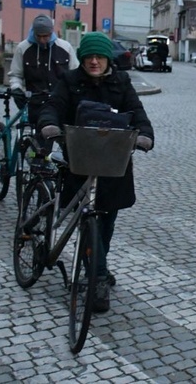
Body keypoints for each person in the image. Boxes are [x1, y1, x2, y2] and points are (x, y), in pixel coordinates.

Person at [38, 32, 154, 313]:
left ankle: (96, 264)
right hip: (80, 157)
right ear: (82, 59)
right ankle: (98, 277)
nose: (93, 61)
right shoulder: (70, 81)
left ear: (107, 60)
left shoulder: (121, 82)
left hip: (113, 160)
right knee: (90, 219)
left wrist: (145, 135)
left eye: (99, 57)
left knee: (107, 220)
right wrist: (50, 125)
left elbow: (137, 112)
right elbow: (54, 105)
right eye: (89, 57)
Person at [9, 14, 78, 124]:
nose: (42, 40)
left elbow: (75, 73)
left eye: (45, 36)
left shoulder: (65, 47)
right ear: (33, 32)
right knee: (39, 138)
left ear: (51, 32)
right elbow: (16, 74)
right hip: (35, 103)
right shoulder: (23, 48)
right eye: (38, 36)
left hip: (61, 103)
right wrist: (16, 88)